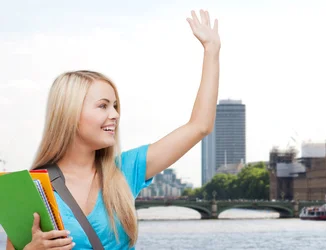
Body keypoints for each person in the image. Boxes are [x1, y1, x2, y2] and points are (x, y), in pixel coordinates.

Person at [5, 8, 220, 250]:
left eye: (116, 106)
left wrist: (212, 51)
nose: (115, 115)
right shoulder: (31, 189)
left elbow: (200, 126)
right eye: (103, 106)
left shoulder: (126, 170)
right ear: (70, 114)